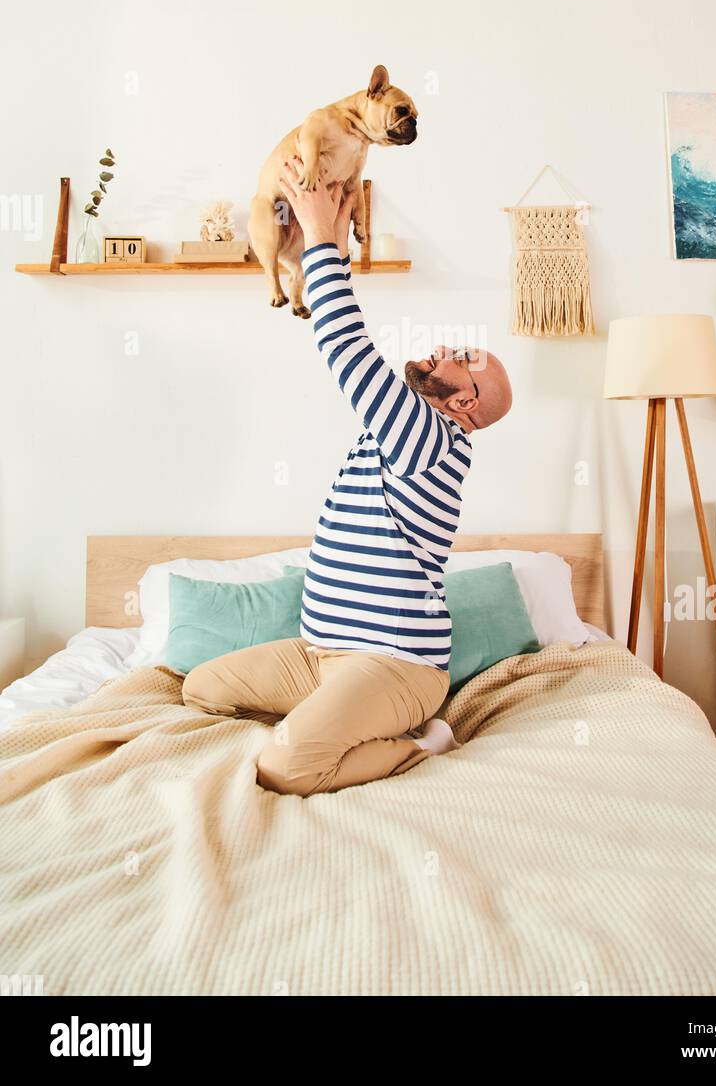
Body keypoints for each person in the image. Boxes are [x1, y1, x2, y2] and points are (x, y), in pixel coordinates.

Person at [182, 161, 512, 796]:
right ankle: (330, 723)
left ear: (465, 404)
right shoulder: (400, 428)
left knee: (284, 768)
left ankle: (419, 743)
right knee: (201, 687)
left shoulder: (431, 439)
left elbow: (344, 344)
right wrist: (315, 239)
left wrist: (324, 239)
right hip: (316, 657)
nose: (447, 349)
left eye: (464, 359)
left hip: (394, 667)